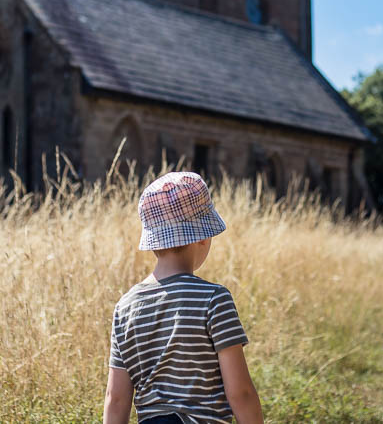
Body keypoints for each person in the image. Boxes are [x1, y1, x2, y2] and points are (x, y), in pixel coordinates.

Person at [103, 172, 263, 424]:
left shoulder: (125, 307)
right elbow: (240, 393)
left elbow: (116, 399)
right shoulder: (214, 299)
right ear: (201, 235)